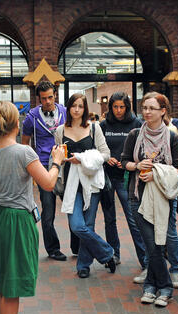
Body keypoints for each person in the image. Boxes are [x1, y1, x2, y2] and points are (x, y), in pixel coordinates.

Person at [0, 101, 66, 314]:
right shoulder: (24, 153)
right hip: (18, 219)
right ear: (17, 124)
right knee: (12, 282)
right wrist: (57, 161)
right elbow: (48, 183)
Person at [121, 92, 178, 307]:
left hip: (163, 197)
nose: (146, 112)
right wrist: (137, 167)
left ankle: (151, 286)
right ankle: (164, 287)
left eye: (152, 108)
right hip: (137, 195)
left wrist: (155, 172)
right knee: (151, 243)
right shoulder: (134, 135)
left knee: (159, 241)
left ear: (163, 111)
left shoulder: (172, 137)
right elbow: (124, 162)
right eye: (144, 108)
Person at [55, 93, 116, 279]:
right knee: (77, 226)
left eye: (80, 106)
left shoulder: (94, 128)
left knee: (88, 224)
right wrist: (59, 158)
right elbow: (58, 155)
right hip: (71, 184)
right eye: (73, 106)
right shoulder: (60, 130)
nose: (76, 109)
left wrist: (82, 159)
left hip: (91, 183)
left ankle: (83, 265)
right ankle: (107, 253)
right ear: (68, 108)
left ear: (85, 109)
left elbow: (106, 154)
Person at [21, 81, 79, 261]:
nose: (47, 101)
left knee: (71, 206)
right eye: (43, 98)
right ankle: (53, 249)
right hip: (43, 165)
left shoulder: (65, 111)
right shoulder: (31, 117)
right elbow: (24, 144)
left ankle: (77, 247)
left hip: (65, 162)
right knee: (48, 211)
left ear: (55, 94)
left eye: (50, 97)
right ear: (39, 99)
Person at [99, 92, 145, 268]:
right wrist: (106, 158)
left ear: (127, 107)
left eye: (122, 107)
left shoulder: (136, 124)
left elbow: (142, 149)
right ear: (110, 107)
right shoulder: (103, 125)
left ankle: (144, 259)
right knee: (109, 218)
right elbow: (98, 148)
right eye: (115, 107)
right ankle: (113, 253)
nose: (118, 110)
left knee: (133, 218)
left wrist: (129, 163)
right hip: (108, 176)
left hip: (127, 177)